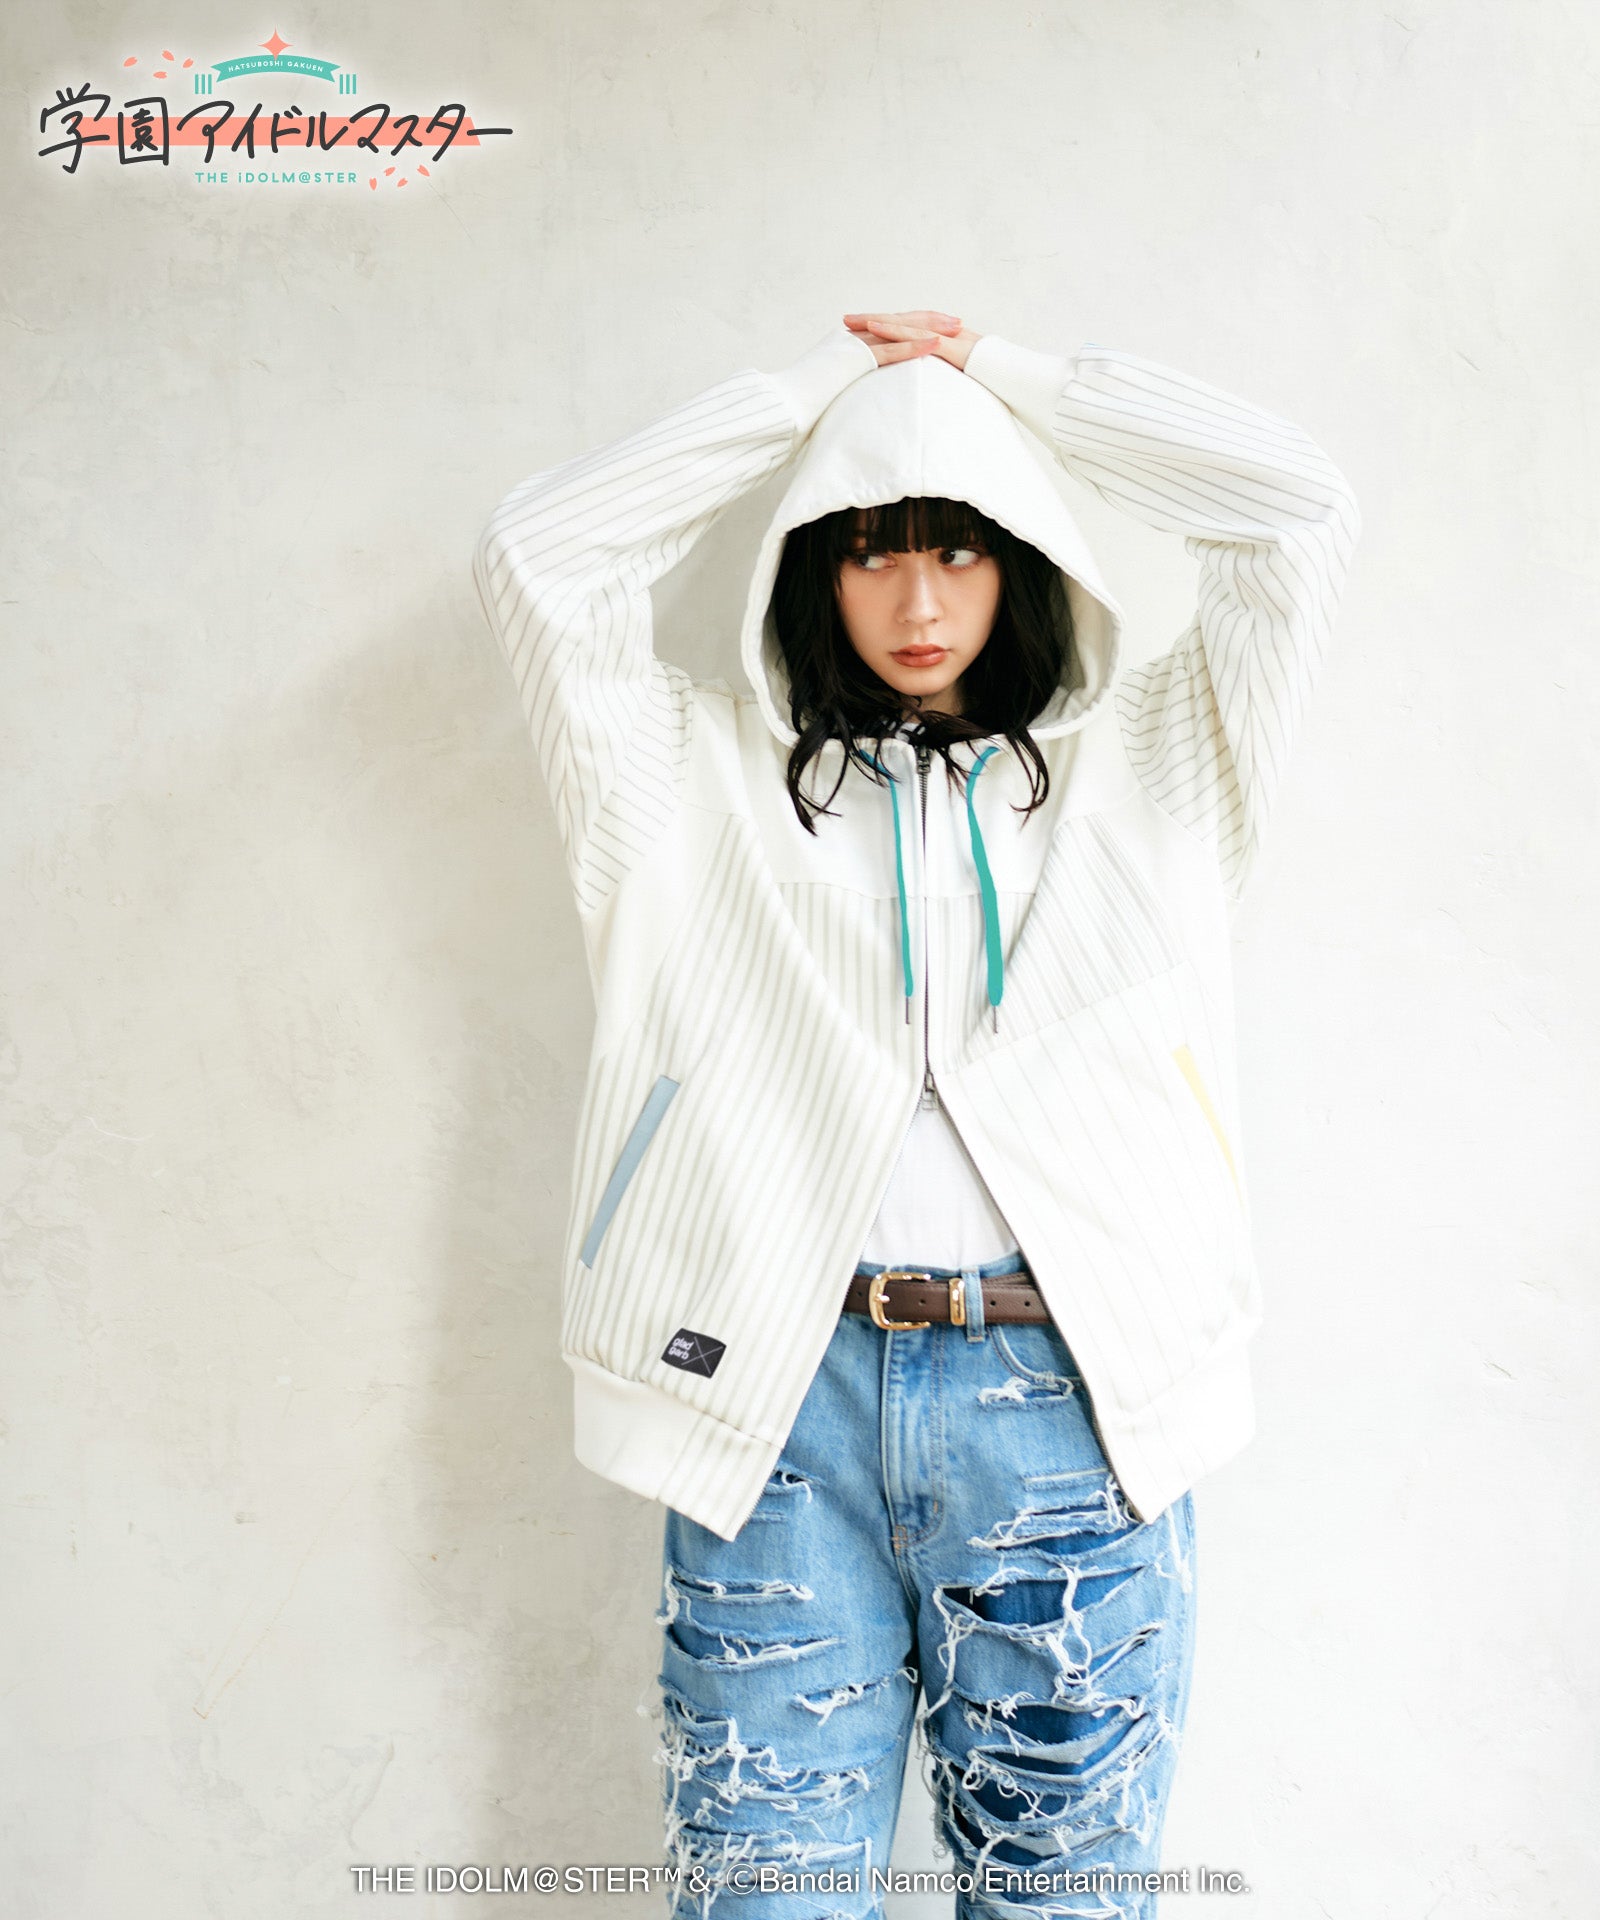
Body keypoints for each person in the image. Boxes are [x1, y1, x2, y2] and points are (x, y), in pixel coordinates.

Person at [472, 308, 1361, 1920]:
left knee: (1063, 1903)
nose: (921, 602)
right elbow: (542, 556)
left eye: (959, 547)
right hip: (774, 1409)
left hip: (1072, 1411)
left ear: (1026, 561)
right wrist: (822, 392)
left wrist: (1002, 378)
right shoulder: (680, 776)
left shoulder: (1160, 763)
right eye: (870, 552)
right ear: (811, 572)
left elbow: (1293, 512)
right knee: (766, 1900)